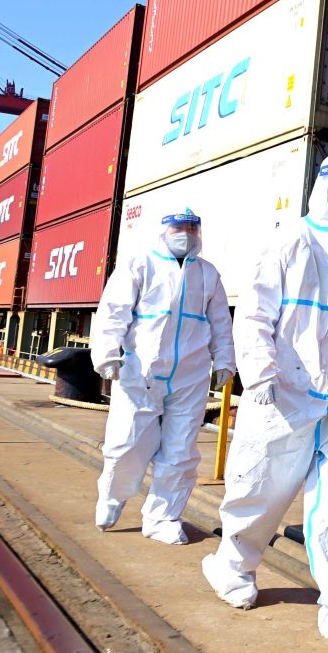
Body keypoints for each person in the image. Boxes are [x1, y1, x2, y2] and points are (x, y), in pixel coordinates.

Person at [202, 150, 328, 653]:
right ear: (322, 187)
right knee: (260, 491)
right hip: (286, 393)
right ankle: (232, 564)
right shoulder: (289, 240)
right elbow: (255, 313)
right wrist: (260, 372)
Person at [91, 208, 236, 544]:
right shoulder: (139, 264)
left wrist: (225, 361)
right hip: (142, 370)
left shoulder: (208, 273)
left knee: (180, 450)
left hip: (191, 374)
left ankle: (163, 518)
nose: (186, 234)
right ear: (163, 231)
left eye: (191, 228)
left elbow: (220, 322)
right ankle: (112, 497)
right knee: (128, 442)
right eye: (178, 227)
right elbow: (113, 311)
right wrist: (107, 353)